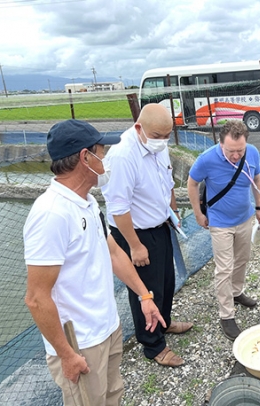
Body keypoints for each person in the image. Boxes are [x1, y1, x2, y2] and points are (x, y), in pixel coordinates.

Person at [24, 119, 166, 405]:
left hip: (107, 327)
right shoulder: (51, 214)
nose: (105, 160)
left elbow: (112, 252)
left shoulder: (87, 201)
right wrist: (67, 355)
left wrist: (145, 295)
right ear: (84, 157)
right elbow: (36, 298)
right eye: (101, 153)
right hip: (81, 344)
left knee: (112, 394)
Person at [101, 104, 193, 368]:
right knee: (145, 290)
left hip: (161, 224)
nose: (162, 141)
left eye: (167, 136)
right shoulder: (123, 155)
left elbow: (167, 183)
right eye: (157, 136)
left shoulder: (158, 145)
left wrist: (173, 212)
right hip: (136, 232)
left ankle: (163, 322)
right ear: (139, 128)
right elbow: (119, 208)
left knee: (165, 280)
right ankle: (152, 345)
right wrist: (135, 246)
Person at [187, 120, 260, 340]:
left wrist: (259, 207)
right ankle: (226, 315)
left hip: (244, 217)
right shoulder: (207, 159)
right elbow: (192, 184)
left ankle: (237, 292)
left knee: (242, 259)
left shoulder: (252, 153)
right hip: (220, 221)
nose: (236, 155)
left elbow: (256, 178)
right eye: (231, 151)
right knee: (224, 267)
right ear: (221, 144)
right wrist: (198, 214)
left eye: (240, 150)